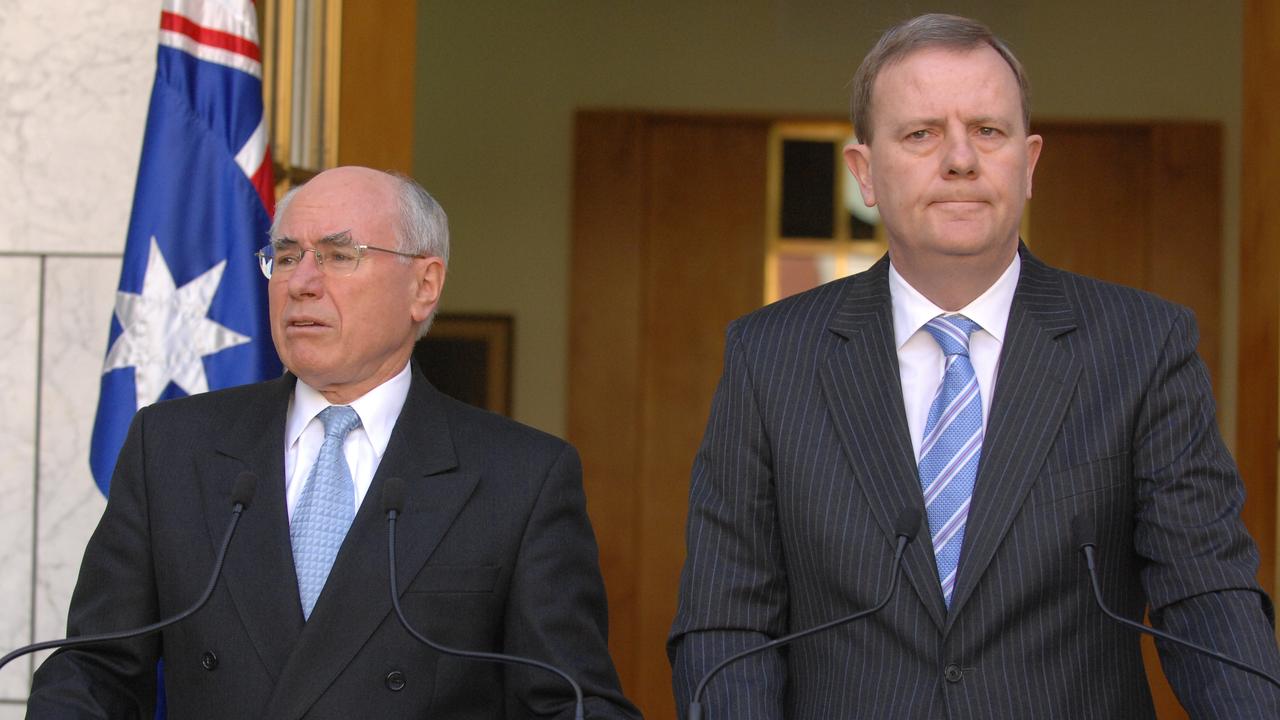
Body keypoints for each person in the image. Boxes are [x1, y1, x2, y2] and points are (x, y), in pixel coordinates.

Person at [668, 13, 1280, 719]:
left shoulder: (1143, 346)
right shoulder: (769, 358)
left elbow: (1207, 601)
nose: (960, 159)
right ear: (864, 172)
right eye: (922, 133)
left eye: (988, 131)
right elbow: (726, 624)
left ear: (1029, 163)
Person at [28, 167, 641, 719]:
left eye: (339, 255)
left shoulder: (519, 477)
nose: (302, 283)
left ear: (424, 285)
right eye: (287, 256)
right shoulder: (172, 447)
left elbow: (569, 702)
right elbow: (94, 670)